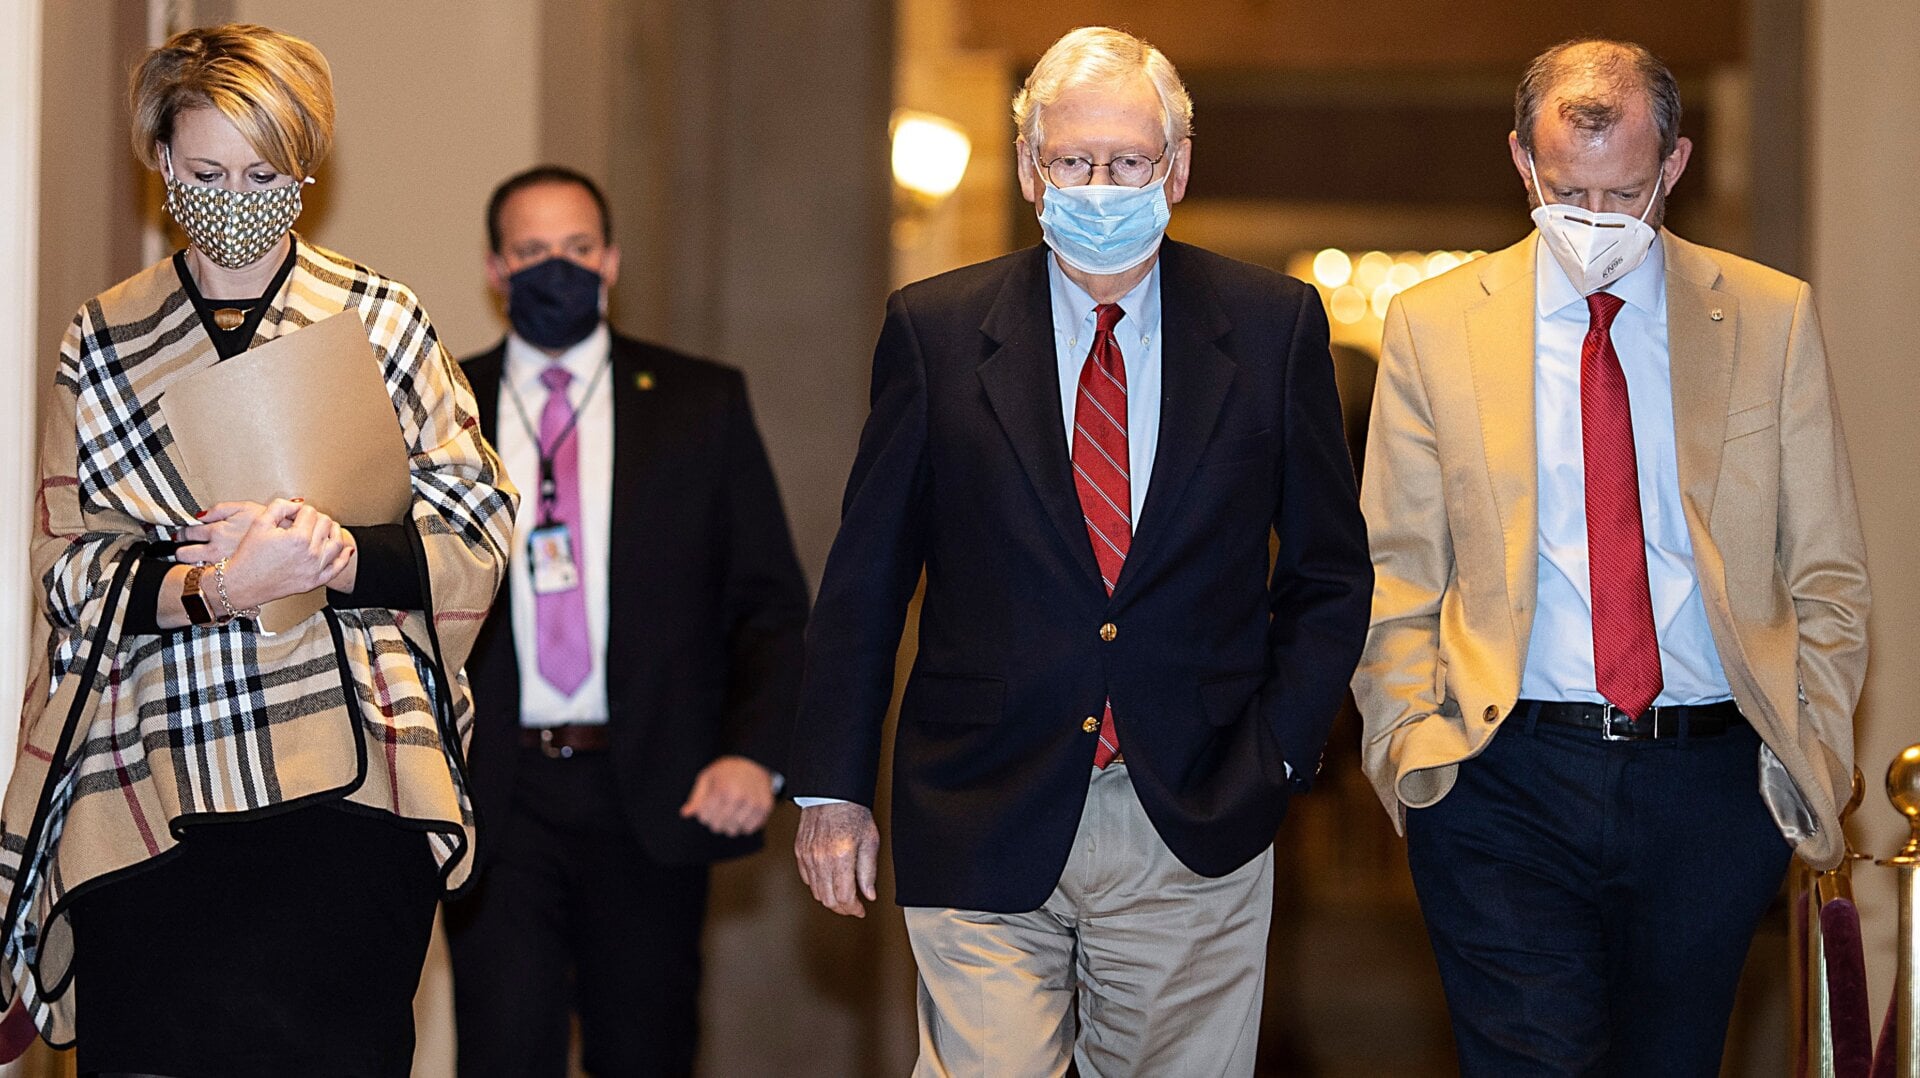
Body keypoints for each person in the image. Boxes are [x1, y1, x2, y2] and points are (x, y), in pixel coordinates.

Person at [789, 26, 1372, 1077]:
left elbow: (1329, 570)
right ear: (1028, 167)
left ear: (1178, 169)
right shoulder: (937, 329)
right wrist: (831, 785)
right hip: (979, 792)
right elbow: (868, 574)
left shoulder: (1273, 324)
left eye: (1129, 163)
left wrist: (1280, 749)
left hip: (1195, 805)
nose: (1100, 186)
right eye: (1072, 161)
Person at [0, 23, 516, 1075]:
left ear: (304, 169)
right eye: (206, 170)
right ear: (161, 162)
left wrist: (334, 558)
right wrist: (219, 584)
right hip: (150, 789)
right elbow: (66, 569)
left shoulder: (380, 319)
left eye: (264, 171)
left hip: (350, 790)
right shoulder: (101, 339)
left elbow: (476, 526)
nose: (236, 193)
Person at [1353, 38, 1870, 1075]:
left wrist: (1800, 761)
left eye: (1624, 192)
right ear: (1522, 162)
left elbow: (1826, 576)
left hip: (1709, 783)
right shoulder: (1435, 327)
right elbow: (1397, 569)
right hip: (1504, 777)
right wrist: (1410, 747)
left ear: (1673, 166)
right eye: (1565, 188)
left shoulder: (1769, 317)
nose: (1592, 217)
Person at [445, 166, 809, 1077]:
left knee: (646, 1052)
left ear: (611, 260)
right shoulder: (440, 409)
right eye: (532, 252)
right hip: (496, 793)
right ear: (495, 267)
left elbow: (769, 604)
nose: (556, 269)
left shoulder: (699, 403)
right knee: (501, 1050)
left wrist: (752, 752)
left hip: (650, 789)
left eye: (576, 249)